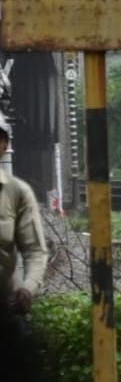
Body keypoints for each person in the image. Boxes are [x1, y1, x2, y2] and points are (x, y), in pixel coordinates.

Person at [0, 113, 48, 320]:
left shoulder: (17, 192)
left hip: (4, 304)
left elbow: (34, 250)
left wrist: (27, 289)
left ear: (4, 146)